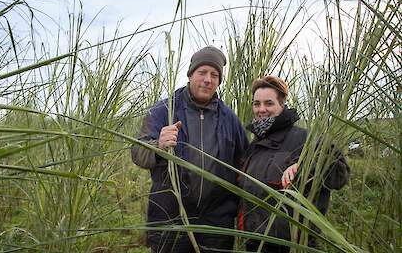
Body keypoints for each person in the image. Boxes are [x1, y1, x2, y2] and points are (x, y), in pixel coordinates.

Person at [131, 46, 249, 252]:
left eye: (214, 75)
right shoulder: (164, 111)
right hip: (170, 218)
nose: (207, 80)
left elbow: (245, 164)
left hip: (216, 223)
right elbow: (137, 154)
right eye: (202, 72)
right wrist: (157, 146)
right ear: (190, 74)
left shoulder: (230, 119)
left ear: (219, 81)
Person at [238, 76, 350, 253]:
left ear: (282, 106)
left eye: (269, 103)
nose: (261, 109)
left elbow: (339, 174)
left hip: (295, 246)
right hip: (254, 244)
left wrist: (304, 166)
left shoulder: (305, 139)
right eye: (256, 104)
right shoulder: (253, 147)